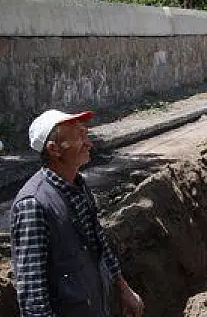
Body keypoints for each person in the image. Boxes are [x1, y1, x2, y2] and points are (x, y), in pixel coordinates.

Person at [10, 109, 145, 316]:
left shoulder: (78, 187)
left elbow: (100, 244)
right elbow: (33, 298)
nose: (89, 143)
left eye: (86, 134)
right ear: (54, 149)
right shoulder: (33, 205)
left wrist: (123, 288)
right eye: (80, 137)